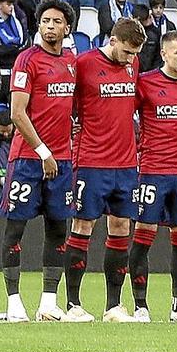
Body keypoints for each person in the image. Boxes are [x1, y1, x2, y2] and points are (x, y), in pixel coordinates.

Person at [0, 0, 77, 323]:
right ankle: (14, 302)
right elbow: (17, 113)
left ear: (67, 28)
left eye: (57, 21)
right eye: (45, 21)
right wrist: (43, 151)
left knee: (58, 228)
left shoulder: (71, 62)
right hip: (29, 159)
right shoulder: (26, 60)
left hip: (63, 161)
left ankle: (48, 303)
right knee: (16, 228)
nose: (50, 26)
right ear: (38, 25)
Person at [65, 18, 146, 323]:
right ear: (113, 40)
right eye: (126, 51)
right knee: (83, 227)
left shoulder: (132, 65)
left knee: (121, 229)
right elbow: (68, 107)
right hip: (91, 162)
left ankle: (114, 306)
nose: (129, 58)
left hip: (125, 164)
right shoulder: (83, 64)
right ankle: (73, 305)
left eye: (134, 54)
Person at [128, 30, 177, 323]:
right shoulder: (145, 84)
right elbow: (122, 117)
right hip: (152, 173)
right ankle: (141, 307)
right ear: (164, 54)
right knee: (143, 239)